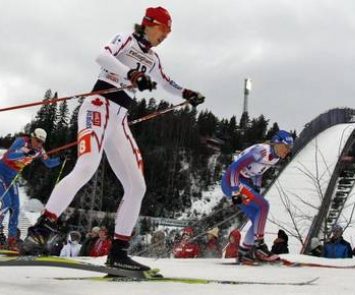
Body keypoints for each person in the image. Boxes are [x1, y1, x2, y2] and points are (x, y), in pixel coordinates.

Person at [22, 6, 205, 271]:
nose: (165, 36)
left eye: (168, 33)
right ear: (150, 24)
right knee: (86, 166)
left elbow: (165, 82)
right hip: (98, 106)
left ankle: (118, 251)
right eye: (163, 30)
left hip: (118, 120)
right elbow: (101, 56)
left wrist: (187, 93)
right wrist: (130, 74)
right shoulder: (126, 39)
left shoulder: (153, 59)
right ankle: (41, 229)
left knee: (136, 186)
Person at [221, 130, 294, 263]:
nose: (287, 151)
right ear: (276, 143)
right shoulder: (261, 151)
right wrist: (236, 191)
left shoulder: (276, 157)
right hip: (231, 181)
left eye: (290, 148)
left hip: (243, 181)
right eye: (286, 147)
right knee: (264, 206)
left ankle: (244, 251)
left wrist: (256, 190)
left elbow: (258, 172)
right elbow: (235, 168)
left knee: (257, 216)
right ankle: (259, 246)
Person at [0, 128, 60, 251]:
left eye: (41, 142)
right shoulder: (21, 141)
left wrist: (61, 159)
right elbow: (9, 155)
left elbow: (48, 163)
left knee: (16, 208)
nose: (39, 144)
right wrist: (26, 153)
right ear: (32, 137)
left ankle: (11, 240)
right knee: (6, 203)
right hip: (1, 173)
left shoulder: (39, 150)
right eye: (37, 140)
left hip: (12, 178)